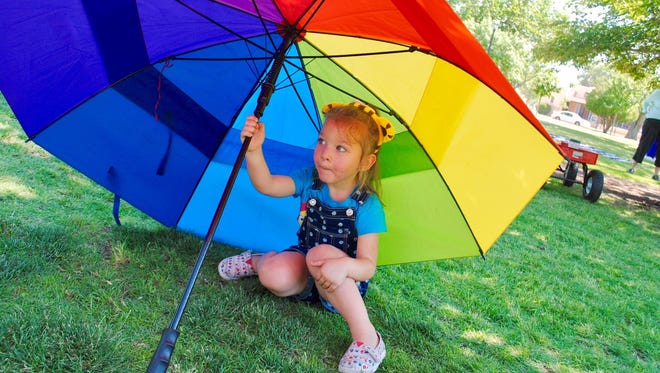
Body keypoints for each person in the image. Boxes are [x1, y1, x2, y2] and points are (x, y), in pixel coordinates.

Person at [217, 101, 395, 372]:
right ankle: (257, 262)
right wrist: (253, 152)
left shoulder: (367, 206)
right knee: (273, 276)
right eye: (322, 141)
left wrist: (344, 265)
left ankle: (368, 340)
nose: (324, 154)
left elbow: (367, 266)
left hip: (341, 283)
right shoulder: (309, 180)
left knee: (320, 254)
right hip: (304, 264)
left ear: (365, 161)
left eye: (341, 148)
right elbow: (267, 185)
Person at [628, 89, 660, 180]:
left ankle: (656, 174)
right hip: (651, 121)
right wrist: (646, 111)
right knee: (644, 144)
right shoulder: (657, 92)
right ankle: (632, 168)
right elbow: (646, 102)